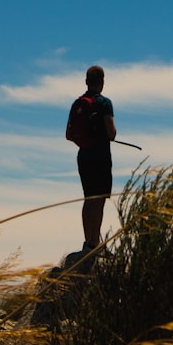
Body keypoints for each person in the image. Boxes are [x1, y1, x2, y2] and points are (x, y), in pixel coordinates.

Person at [66, 65, 116, 250]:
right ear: (102, 81)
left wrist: (85, 143)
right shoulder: (104, 103)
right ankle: (95, 242)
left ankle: (88, 241)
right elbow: (111, 134)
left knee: (88, 199)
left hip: (84, 156)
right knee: (99, 199)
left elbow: (69, 135)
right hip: (101, 155)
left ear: (87, 81)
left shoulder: (78, 103)